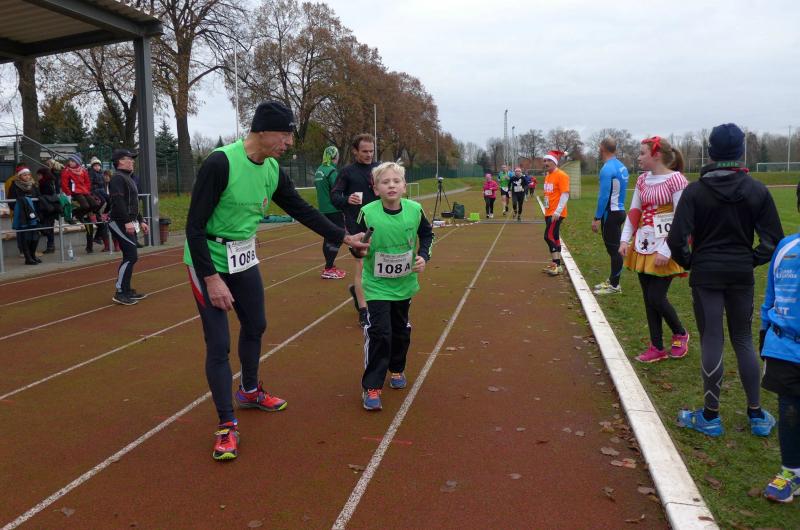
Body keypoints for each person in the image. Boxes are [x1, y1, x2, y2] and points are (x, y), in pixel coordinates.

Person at [184, 101, 369, 461]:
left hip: (242, 256)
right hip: (207, 259)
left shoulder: (272, 169)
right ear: (263, 130)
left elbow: (301, 208)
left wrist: (344, 236)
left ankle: (249, 390)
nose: (289, 143)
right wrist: (211, 279)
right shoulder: (220, 163)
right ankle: (226, 424)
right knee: (219, 343)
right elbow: (193, 227)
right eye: (285, 135)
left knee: (256, 325)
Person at [666, 123, 782, 437]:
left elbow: (676, 239)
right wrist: (750, 259)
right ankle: (756, 414)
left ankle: (710, 416)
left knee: (712, 338)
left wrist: (692, 262)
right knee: (742, 339)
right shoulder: (757, 190)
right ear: (741, 151)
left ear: (711, 152)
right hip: (740, 274)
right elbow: (773, 239)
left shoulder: (695, 191)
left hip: (706, 274)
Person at [356, 161, 433, 410]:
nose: (391, 185)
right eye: (385, 182)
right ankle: (372, 386)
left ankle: (397, 368)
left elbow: (427, 235)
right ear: (376, 188)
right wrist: (358, 250)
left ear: (404, 186)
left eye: (396, 181)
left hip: (404, 283)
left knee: (400, 330)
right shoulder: (367, 213)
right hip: (376, 284)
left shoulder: (415, 210)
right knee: (380, 332)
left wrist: (424, 256)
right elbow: (357, 242)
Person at [619, 136, 689, 363]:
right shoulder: (642, 180)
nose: (638, 157)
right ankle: (657, 346)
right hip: (643, 245)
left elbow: (681, 218)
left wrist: (667, 250)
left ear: (656, 155)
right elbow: (634, 211)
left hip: (665, 246)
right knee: (648, 299)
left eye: (642, 153)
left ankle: (680, 333)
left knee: (656, 297)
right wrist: (625, 239)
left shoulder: (676, 180)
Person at [758, 186, 800, 502]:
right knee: (790, 409)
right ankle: (791, 470)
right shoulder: (786, 247)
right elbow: (770, 297)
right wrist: (764, 333)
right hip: (786, 347)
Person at [331, 133, 378, 327]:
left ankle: (364, 296)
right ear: (355, 151)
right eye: (365, 151)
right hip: (357, 226)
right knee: (362, 266)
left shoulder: (379, 169)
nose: (369, 155)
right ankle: (364, 311)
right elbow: (334, 196)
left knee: (377, 265)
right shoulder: (347, 172)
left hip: (380, 224)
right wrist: (347, 199)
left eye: (371, 151)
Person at [108, 148, 149, 305]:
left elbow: (132, 204)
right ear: (120, 162)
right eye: (129, 158)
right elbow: (118, 202)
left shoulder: (129, 178)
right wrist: (126, 222)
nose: (132, 161)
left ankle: (126, 290)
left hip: (127, 222)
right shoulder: (117, 178)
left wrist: (141, 220)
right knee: (131, 255)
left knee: (130, 256)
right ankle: (120, 292)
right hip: (118, 222)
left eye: (132, 159)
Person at [592, 138, 630, 294]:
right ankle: (613, 280)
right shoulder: (622, 167)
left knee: (614, 251)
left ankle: (614, 285)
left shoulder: (607, 168)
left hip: (611, 214)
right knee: (614, 249)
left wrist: (597, 218)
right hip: (619, 211)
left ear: (602, 148)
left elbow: (604, 196)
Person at [314, 145, 346, 279]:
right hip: (334, 209)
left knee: (328, 237)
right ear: (335, 157)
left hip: (323, 210)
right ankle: (329, 267)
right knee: (338, 237)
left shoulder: (319, 170)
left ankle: (329, 266)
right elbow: (337, 190)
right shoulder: (331, 171)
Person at [61, 153, 100, 252]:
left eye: (73, 161)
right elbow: (64, 184)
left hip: (85, 199)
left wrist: (86, 190)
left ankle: (90, 247)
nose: (70, 162)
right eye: (70, 161)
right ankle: (76, 214)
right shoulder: (67, 170)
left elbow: (87, 182)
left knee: (94, 206)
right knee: (88, 224)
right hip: (78, 197)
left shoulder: (82, 170)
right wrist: (69, 193)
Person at [541, 150, 570, 276]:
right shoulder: (548, 176)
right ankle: (557, 265)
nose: (546, 163)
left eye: (548, 160)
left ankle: (556, 264)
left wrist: (557, 211)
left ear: (555, 162)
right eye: (544, 161)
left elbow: (565, 194)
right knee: (555, 236)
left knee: (548, 236)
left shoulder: (561, 175)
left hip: (556, 213)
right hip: (549, 211)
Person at [7, 167, 41, 265]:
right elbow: (11, 201)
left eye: (28, 174)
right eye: (24, 175)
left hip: (34, 214)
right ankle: (28, 258)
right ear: (19, 176)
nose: (27, 176)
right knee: (25, 236)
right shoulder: (14, 186)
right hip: (22, 215)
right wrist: (22, 207)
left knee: (35, 236)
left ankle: (33, 255)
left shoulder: (33, 185)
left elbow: (38, 197)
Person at [35, 167, 62, 254]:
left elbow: (44, 194)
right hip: (51, 209)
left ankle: (50, 246)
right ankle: (51, 246)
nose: (37, 177)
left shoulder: (44, 183)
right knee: (50, 228)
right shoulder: (51, 182)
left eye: (39, 175)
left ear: (43, 175)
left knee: (47, 228)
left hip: (47, 209)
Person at [89, 156, 110, 251]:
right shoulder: (91, 173)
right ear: (92, 166)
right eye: (95, 166)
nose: (97, 167)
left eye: (98, 165)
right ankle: (96, 212)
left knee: (108, 200)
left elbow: (104, 184)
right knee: (102, 201)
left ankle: (104, 213)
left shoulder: (101, 173)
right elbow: (90, 183)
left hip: (101, 190)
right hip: (95, 190)